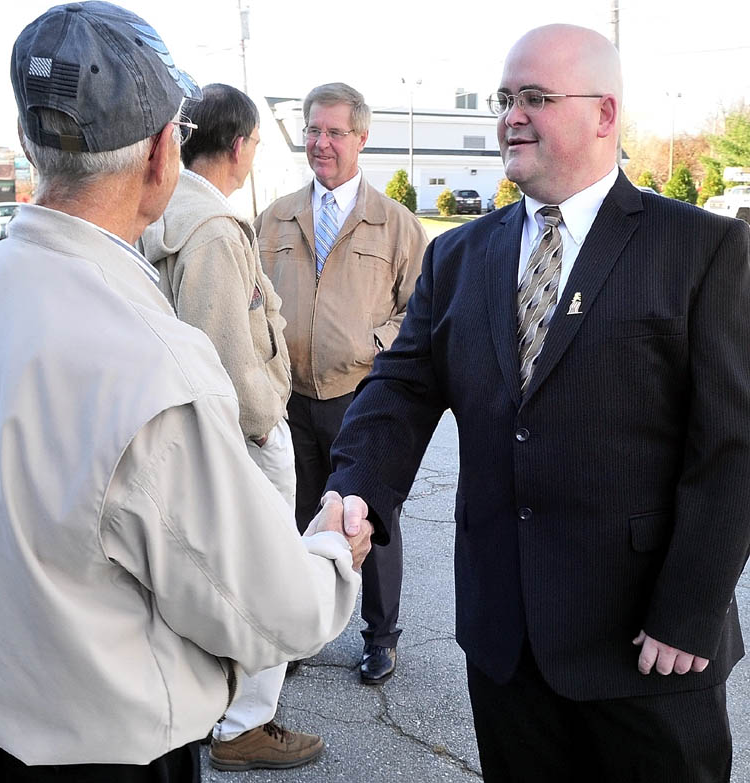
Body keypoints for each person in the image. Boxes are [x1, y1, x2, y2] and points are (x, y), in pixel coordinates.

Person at [0, 4, 372, 782]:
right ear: (158, 154)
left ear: (28, 142)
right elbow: (266, 606)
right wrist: (333, 554)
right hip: (107, 740)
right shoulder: (151, 364)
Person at [325, 24, 750, 783]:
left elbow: (733, 443)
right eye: (504, 99)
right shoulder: (457, 255)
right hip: (506, 643)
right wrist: (356, 487)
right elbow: (403, 386)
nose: (510, 116)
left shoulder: (702, 249)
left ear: (605, 114)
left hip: (649, 647)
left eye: (536, 98)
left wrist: (689, 608)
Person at [140, 83, 321, 771]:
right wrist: (269, 423)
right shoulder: (211, 227)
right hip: (242, 437)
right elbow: (221, 351)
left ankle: (225, 711)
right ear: (241, 144)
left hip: (197, 434)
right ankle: (244, 724)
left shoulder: (169, 209)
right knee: (266, 577)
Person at [255, 82, 427, 685]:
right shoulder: (273, 218)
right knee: (294, 516)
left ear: (361, 137)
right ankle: (301, 630)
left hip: (362, 396)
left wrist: (370, 348)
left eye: (334, 132)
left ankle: (380, 637)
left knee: (367, 517)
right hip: (289, 397)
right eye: (312, 130)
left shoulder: (397, 225)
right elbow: (250, 303)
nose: (321, 142)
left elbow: (418, 313)